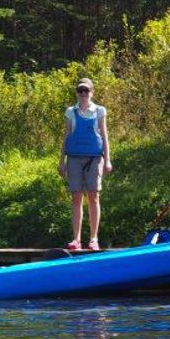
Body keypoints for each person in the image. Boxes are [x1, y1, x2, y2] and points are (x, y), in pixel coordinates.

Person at [59, 78, 112, 250]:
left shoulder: (99, 111)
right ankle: (76, 239)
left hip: (95, 159)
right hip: (74, 158)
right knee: (76, 197)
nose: (83, 94)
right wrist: (61, 161)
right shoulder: (70, 111)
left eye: (86, 91)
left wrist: (108, 160)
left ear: (92, 92)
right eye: (80, 91)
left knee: (93, 196)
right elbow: (66, 136)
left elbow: (104, 136)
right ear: (77, 93)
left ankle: (94, 239)